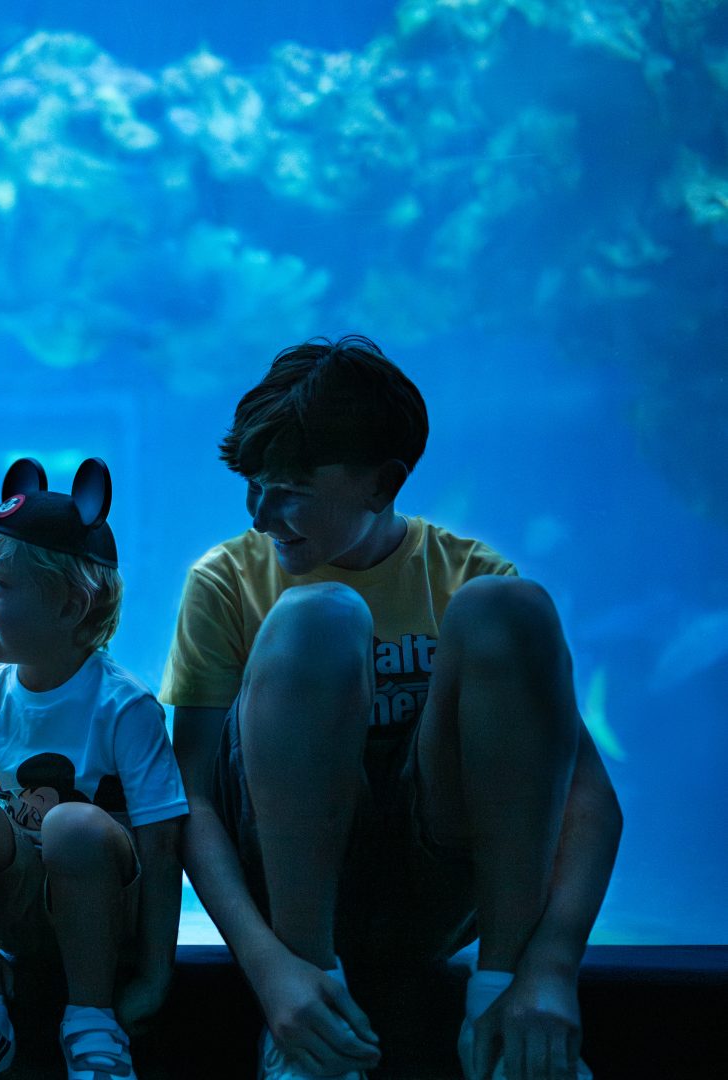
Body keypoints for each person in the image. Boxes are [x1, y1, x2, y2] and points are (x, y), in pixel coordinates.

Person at [164, 336, 622, 1080]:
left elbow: (588, 798)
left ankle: (500, 1001)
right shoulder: (226, 581)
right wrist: (269, 967)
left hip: (441, 892)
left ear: (383, 484)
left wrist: (552, 965)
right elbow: (190, 795)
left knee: (509, 606)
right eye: (253, 483)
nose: (261, 514)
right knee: (316, 617)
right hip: (289, 904)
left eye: (291, 489)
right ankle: (312, 1003)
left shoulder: (466, 575)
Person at [0, 458, 188, 1080]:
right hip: (20, 913)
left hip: (107, 917)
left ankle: (93, 1020)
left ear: (70, 604)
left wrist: (155, 973)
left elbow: (162, 844)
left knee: (73, 823)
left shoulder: (125, 707)